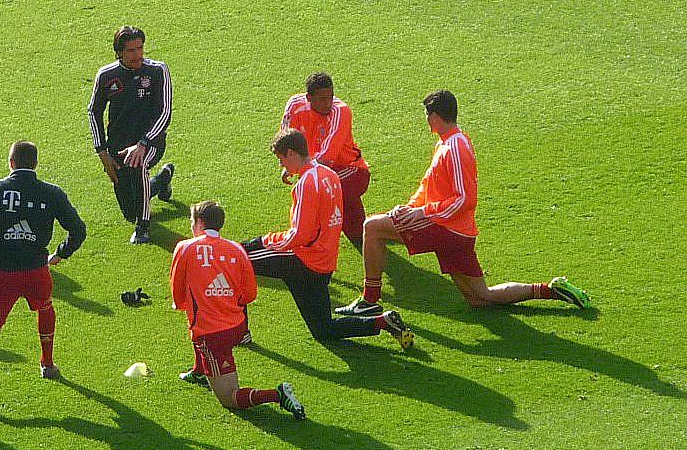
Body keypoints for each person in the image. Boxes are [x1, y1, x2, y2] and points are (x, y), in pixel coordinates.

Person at [178, 131, 410, 384]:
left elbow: (301, 235)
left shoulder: (306, 185)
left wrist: (267, 241)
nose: (281, 165)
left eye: (281, 159)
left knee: (233, 261)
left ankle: (237, 335)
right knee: (324, 329)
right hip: (323, 263)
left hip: (300, 260)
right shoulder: (329, 175)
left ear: (291, 153)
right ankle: (382, 321)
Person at [337, 90, 592, 315]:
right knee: (481, 298)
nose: (426, 121)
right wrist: (410, 208)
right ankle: (552, 290)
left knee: (372, 227)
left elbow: (464, 198)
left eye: (428, 116)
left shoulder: (454, 148)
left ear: (435, 117)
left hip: (446, 229)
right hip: (455, 230)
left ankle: (369, 299)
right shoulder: (448, 143)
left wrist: (422, 214)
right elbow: (430, 186)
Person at [0, 141, 87, 414]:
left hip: (1, 272)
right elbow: (78, 230)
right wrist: (60, 254)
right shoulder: (52, 193)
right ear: (36, 164)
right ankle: (47, 363)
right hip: (36, 272)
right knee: (45, 307)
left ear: (11, 162)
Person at [170, 200, 305, 417]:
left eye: (191, 221)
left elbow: (178, 290)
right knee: (199, 321)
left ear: (200, 223)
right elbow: (250, 293)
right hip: (238, 327)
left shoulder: (185, 247)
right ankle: (199, 371)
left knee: (229, 397)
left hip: (214, 336)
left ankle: (277, 394)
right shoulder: (236, 248)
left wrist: (185, 304)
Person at [88, 25, 175, 244]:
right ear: (119, 52)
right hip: (117, 146)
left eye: (140, 48)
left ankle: (143, 227)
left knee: (138, 165)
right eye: (131, 51)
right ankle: (161, 181)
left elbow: (165, 112)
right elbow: (94, 111)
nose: (138, 55)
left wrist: (143, 143)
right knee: (129, 211)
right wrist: (102, 151)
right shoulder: (107, 75)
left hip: (150, 141)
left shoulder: (157, 71)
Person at [281, 72, 371, 246]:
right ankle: (369, 233)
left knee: (315, 190)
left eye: (330, 97)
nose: (328, 103)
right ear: (309, 97)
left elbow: (327, 158)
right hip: (322, 170)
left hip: (352, 170)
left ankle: (306, 237)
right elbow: (286, 140)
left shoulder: (341, 111)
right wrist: (286, 164)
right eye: (322, 99)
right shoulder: (294, 105)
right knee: (358, 234)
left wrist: (300, 170)